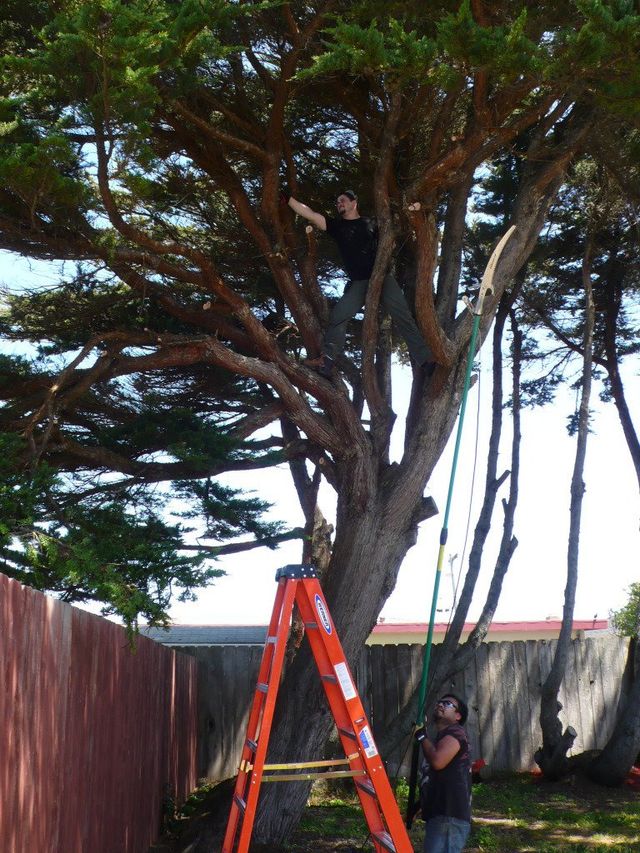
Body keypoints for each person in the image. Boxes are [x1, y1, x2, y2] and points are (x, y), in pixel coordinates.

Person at [283, 190, 433, 376]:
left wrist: (415, 208)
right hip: (359, 283)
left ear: (354, 202)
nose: (339, 203)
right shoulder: (336, 226)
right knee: (338, 315)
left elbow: (395, 231)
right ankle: (327, 360)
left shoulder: (372, 223)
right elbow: (310, 214)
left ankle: (425, 360)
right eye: (337, 201)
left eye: (343, 200)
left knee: (403, 316)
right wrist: (289, 199)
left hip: (383, 278)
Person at [414, 693, 472, 853]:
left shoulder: (456, 733)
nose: (440, 704)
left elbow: (438, 761)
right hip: (442, 815)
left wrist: (421, 737)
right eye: (439, 702)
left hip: (449, 817)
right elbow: (437, 779)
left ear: (458, 716)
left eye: (447, 704)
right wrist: (418, 806)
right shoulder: (442, 738)